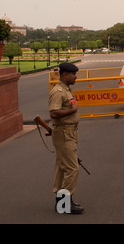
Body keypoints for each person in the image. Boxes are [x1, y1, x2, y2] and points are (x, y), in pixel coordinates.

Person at [48, 62, 84, 214]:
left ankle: (61, 202)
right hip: (64, 133)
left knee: (63, 168)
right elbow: (54, 113)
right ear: (65, 75)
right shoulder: (59, 91)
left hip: (67, 132)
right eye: (73, 74)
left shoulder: (67, 90)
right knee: (71, 168)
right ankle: (65, 202)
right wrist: (73, 111)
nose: (75, 77)